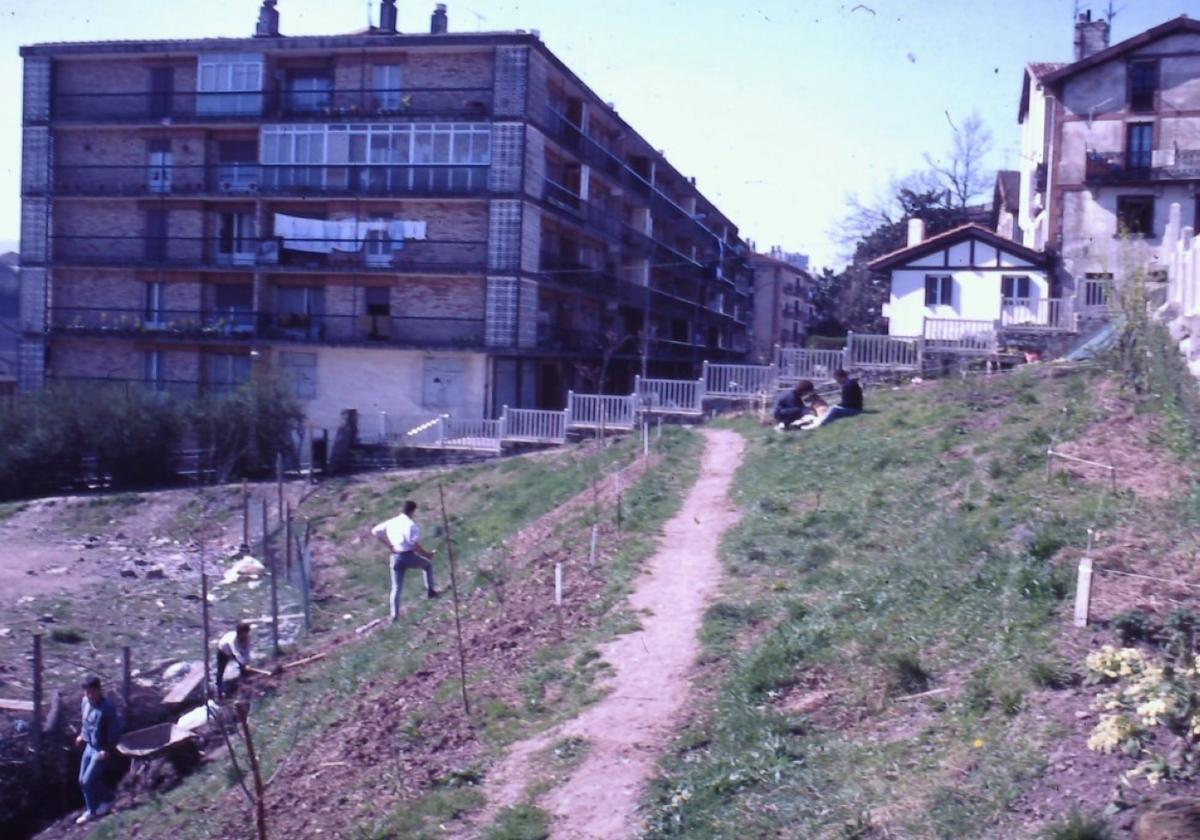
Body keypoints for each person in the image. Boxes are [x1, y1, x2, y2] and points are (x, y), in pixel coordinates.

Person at [372, 500, 439, 622]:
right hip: (407, 555)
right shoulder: (411, 525)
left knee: (396, 587)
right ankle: (430, 591)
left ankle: (394, 616)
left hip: (395, 557)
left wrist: (389, 546)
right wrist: (427, 554)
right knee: (427, 565)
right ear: (413, 511)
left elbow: (375, 531)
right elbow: (414, 545)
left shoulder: (392, 522)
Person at [75, 676, 119, 824]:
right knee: (82, 780)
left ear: (99, 690)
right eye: (87, 692)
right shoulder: (85, 702)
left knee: (88, 781)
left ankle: (92, 811)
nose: (89, 696)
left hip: (101, 749)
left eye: (92, 692)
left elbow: (114, 731)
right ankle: (107, 798)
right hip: (89, 746)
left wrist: (107, 749)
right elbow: (86, 722)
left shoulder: (107, 708)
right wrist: (82, 735)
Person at [216, 621, 253, 700]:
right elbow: (237, 653)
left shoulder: (247, 638)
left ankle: (244, 687)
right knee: (220, 672)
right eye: (244, 633)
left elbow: (247, 650)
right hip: (223, 651)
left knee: (243, 668)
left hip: (235, 651)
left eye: (247, 633)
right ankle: (219, 693)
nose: (246, 635)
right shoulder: (232, 640)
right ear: (240, 633)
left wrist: (248, 662)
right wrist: (244, 664)